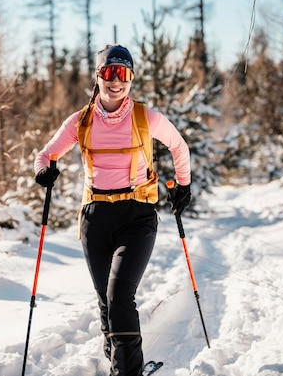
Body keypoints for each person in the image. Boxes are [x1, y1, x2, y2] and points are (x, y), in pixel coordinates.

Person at [34, 44, 191, 376]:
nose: (115, 81)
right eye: (108, 72)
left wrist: (183, 184)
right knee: (106, 301)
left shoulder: (146, 117)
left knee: (120, 297)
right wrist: (43, 171)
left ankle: (127, 372)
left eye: (122, 73)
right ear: (98, 76)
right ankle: (118, 361)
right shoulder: (81, 121)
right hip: (95, 216)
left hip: (137, 214)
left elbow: (178, 145)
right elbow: (46, 154)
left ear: (131, 78)